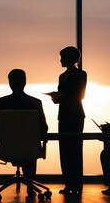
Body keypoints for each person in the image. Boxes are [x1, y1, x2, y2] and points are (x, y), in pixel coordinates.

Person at [0, 69, 49, 197]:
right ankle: (31, 185)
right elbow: (44, 129)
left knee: (25, 146)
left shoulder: (0, 103)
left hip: (7, 149)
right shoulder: (35, 103)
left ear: (10, 83)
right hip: (31, 150)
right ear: (24, 82)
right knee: (30, 147)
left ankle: (30, 184)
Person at [45, 46, 87, 195]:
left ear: (70, 58)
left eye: (62, 57)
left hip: (75, 115)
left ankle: (77, 185)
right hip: (63, 115)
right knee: (64, 150)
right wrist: (56, 98)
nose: (61, 60)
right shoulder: (61, 77)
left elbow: (80, 95)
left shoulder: (81, 74)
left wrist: (62, 96)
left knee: (75, 150)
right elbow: (65, 97)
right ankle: (69, 183)